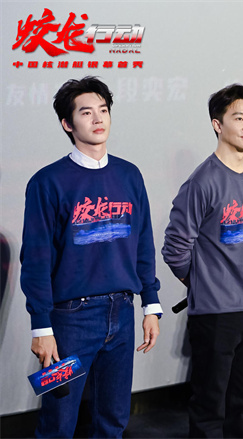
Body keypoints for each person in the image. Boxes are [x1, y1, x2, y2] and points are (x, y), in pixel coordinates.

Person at [20, 76, 162, 438]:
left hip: (122, 312)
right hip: (70, 319)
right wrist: (41, 327)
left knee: (113, 420)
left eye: (103, 110)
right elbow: (35, 259)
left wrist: (151, 304)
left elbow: (143, 243)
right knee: (58, 421)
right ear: (67, 124)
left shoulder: (129, 175)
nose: (98, 118)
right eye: (86, 112)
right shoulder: (47, 182)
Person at [162, 84, 243, 438]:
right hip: (214, 314)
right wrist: (201, 281)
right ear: (217, 124)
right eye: (238, 118)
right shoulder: (202, 181)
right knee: (210, 406)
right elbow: (175, 247)